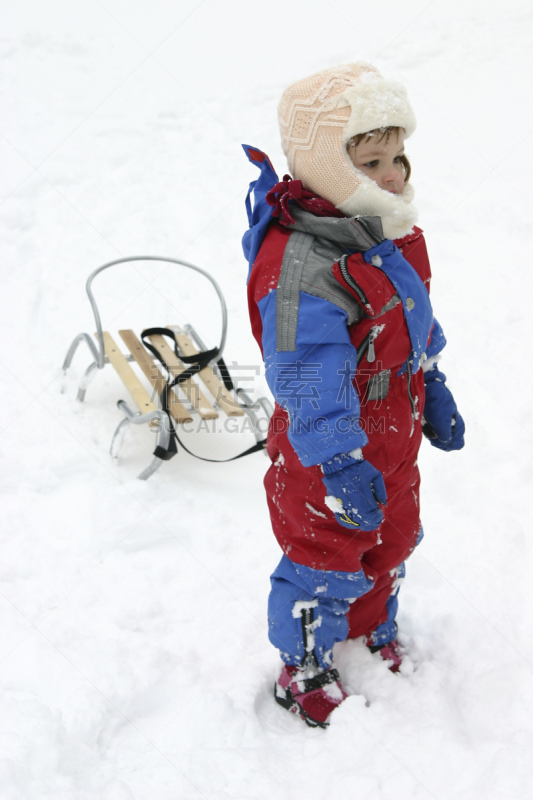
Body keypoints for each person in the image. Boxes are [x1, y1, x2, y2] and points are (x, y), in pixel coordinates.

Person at [242, 62, 465, 729]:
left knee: (392, 537)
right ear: (324, 166)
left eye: (398, 155)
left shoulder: (379, 228)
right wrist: (337, 458)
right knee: (325, 551)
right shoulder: (302, 268)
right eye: (370, 160)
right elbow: (306, 375)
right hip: (327, 442)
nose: (394, 173)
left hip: (394, 422)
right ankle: (304, 662)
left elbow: (410, 315)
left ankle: (369, 627)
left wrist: (430, 377)